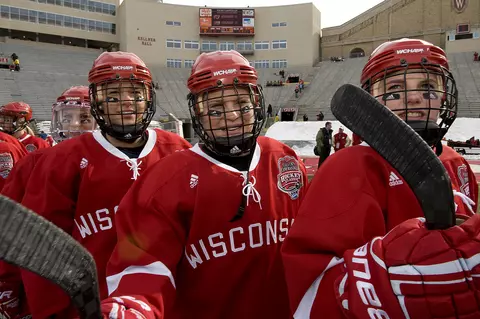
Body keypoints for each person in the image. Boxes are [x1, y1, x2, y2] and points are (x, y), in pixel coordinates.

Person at [98, 50, 308, 318]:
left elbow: (309, 243)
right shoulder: (166, 181)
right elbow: (142, 263)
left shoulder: (284, 159)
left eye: (242, 104)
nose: (232, 116)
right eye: (216, 109)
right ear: (197, 113)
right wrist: (134, 306)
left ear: (256, 103)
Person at [282, 38, 480, 319]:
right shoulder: (348, 167)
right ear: (369, 99)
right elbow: (309, 292)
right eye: (395, 89)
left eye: (427, 87)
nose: (413, 98)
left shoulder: (455, 162)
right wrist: (385, 282)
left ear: (444, 96)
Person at [0, 51, 191, 319]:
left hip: (166, 306)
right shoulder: (59, 161)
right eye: (112, 95)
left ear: (148, 97)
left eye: (135, 94)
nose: (125, 103)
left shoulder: (177, 151)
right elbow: (40, 256)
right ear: (97, 100)